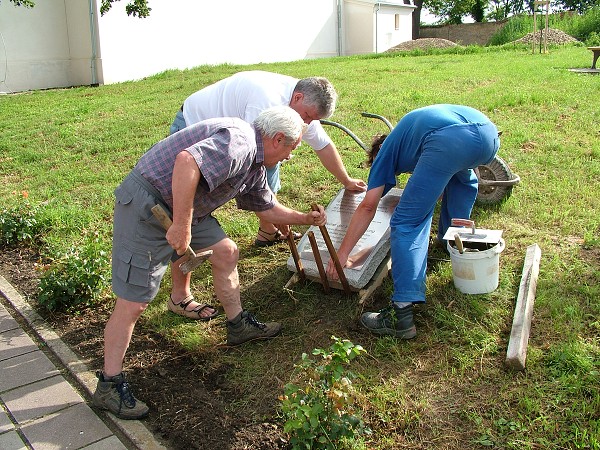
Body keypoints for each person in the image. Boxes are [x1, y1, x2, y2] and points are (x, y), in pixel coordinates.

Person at [93, 106, 327, 420]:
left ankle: (238, 324)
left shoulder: (255, 165)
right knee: (134, 303)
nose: (289, 157)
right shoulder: (240, 141)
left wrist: (305, 219)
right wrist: (182, 224)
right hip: (148, 205)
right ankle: (109, 384)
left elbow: (267, 207)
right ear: (277, 139)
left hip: (182, 207)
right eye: (291, 149)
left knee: (226, 251)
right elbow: (186, 162)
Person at [326, 104, 500, 339]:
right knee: (463, 181)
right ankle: (452, 241)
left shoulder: (386, 152)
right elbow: (440, 181)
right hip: (487, 136)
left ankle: (401, 315)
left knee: (407, 222)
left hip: (451, 141)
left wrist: (342, 253)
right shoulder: (412, 138)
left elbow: (368, 206)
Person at [170, 70, 366, 249]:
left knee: (272, 162)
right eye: (306, 116)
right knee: (188, 195)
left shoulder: (303, 107)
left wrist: (346, 180)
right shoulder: (266, 100)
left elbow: (323, 145)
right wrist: (274, 210)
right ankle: (179, 238)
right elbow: (255, 159)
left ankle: (268, 231)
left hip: (231, 135)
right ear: (298, 97)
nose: (307, 123)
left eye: (311, 120)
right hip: (192, 124)